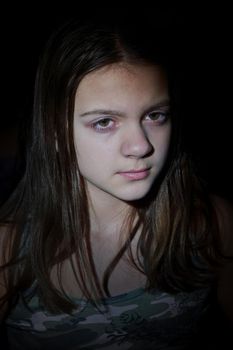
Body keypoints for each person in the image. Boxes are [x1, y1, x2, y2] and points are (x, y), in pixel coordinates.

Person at [0, 14, 233, 349]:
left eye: (155, 116)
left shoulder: (210, 224)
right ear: (54, 131)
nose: (141, 146)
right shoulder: (10, 249)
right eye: (105, 121)